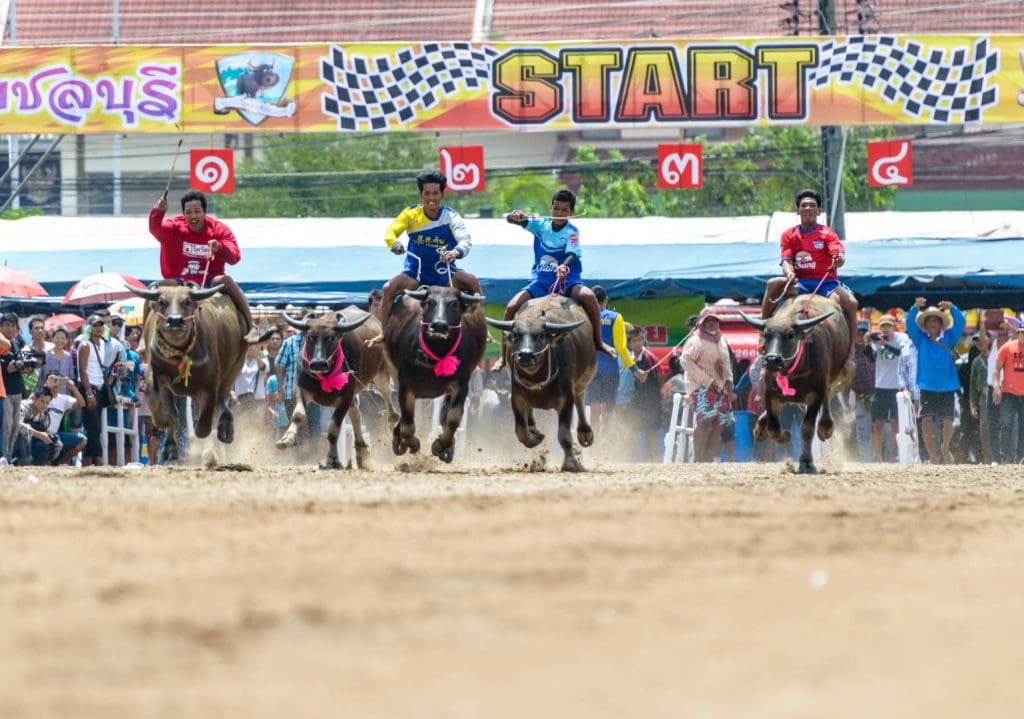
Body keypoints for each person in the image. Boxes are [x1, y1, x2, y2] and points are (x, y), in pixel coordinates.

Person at [495, 189, 614, 369]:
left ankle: (598, 342)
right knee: (512, 306)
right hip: (541, 282)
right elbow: (513, 220)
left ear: (571, 213)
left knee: (589, 296)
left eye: (564, 210)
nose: (559, 213)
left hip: (568, 281)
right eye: (556, 208)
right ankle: (503, 356)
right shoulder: (540, 225)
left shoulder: (572, 231)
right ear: (551, 208)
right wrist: (515, 217)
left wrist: (565, 265)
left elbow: (573, 254)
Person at [373, 170, 482, 340]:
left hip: (444, 274)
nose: (431, 198)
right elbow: (390, 233)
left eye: (435, 193)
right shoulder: (410, 214)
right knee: (388, 289)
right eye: (427, 193)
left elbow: (465, 241)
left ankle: (482, 331)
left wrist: (454, 252)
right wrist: (394, 244)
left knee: (472, 282)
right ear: (420, 195)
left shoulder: (451, 216)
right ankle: (384, 333)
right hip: (415, 274)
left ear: (442, 195)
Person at [149, 189, 259, 343]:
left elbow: (235, 258)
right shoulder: (174, 226)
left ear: (204, 212)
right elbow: (156, 230)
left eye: (197, 211)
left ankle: (251, 325)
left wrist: (220, 247)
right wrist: (158, 211)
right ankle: (143, 337)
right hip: (180, 281)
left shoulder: (219, 229)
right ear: (183, 213)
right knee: (153, 287)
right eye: (188, 212)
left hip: (210, 281)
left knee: (225, 280)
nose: (193, 216)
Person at [761, 189, 858, 360]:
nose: (808, 208)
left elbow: (838, 252)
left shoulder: (827, 233)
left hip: (826, 283)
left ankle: (850, 350)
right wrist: (789, 272)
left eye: (812, 205)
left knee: (851, 303)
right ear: (797, 211)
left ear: (818, 211)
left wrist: (839, 259)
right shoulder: (789, 235)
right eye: (804, 205)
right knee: (772, 284)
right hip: (800, 282)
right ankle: (763, 331)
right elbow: (786, 259)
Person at [906, 298, 966, 464]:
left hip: (948, 385)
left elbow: (961, 322)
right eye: (929, 320)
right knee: (926, 422)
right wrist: (915, 307)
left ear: (941, 324)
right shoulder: (920, 339)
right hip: (927, 386)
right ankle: (932, 455)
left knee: (948, 420)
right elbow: (910, 324)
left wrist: (952, 308)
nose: (932, 322)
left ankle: (945, 447)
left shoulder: (950, 337)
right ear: (925, 325)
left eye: (935, 320)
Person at [587, 286, 645, 434]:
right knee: (608, 410)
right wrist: (635, 369)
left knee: (594, 410)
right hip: (610, 371)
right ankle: (605, 447)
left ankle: (593, 450)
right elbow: (621, 348)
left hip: (591, 370)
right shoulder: (615, 317)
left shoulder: (585, 316)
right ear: (606, 300)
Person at [679, 308, 734, 462]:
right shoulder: (696, 340)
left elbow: (726, 362)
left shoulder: (721, 339)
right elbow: (685, 361)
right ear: (702, 323)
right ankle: (698, 459)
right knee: (705, 422)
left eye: (715, 320)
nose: (712, 324)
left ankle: (710, 459)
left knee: (719, 423)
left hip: (721, 388)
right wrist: (707, 382)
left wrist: (729, 380)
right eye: (708, 321)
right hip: (701, 387)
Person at [869, 314, 910, 462]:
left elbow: (901, 354)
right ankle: (878, 457)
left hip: (897, 386)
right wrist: (868, 342)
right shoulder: (877, 340)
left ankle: (893, 456)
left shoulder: (901, 338)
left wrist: (885, 344)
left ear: (894, 326)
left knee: (895, 424)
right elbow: (869, 358)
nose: (886, 329)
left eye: (888, 326)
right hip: (881, 386)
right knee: (878, 423)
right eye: (883, 326)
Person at [992, 323, 1024, 463]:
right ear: (1018, 333)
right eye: (1022, 332)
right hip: (1009, 393)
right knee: (1006, 424)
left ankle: (1021, 458)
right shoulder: (1007, 347)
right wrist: (996, 387)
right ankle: (1004, 457)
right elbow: (996, 370)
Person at [1, 313, 31, 461]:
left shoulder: (18, 343)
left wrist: (28, 364)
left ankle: (9, 455)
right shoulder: (2, 343)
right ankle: (4, 457)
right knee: (6, 426)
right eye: (7, 325)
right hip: (4, 390)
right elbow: (8, 368)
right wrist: (19, 365)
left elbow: (25, 369)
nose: (10, 328)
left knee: (15, 426)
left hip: (17, 390)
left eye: (13, 326)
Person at [39, 370, 86, 464]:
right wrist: (47, 385)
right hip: (40, 433)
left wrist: (73, 388)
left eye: (59, 380)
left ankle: (60, 463)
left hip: (55, 435)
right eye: (54, 380)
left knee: (83, 440)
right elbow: (33, 399)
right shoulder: (41, 395)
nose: (56, 383)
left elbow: (82, 404)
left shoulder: (64, 399)